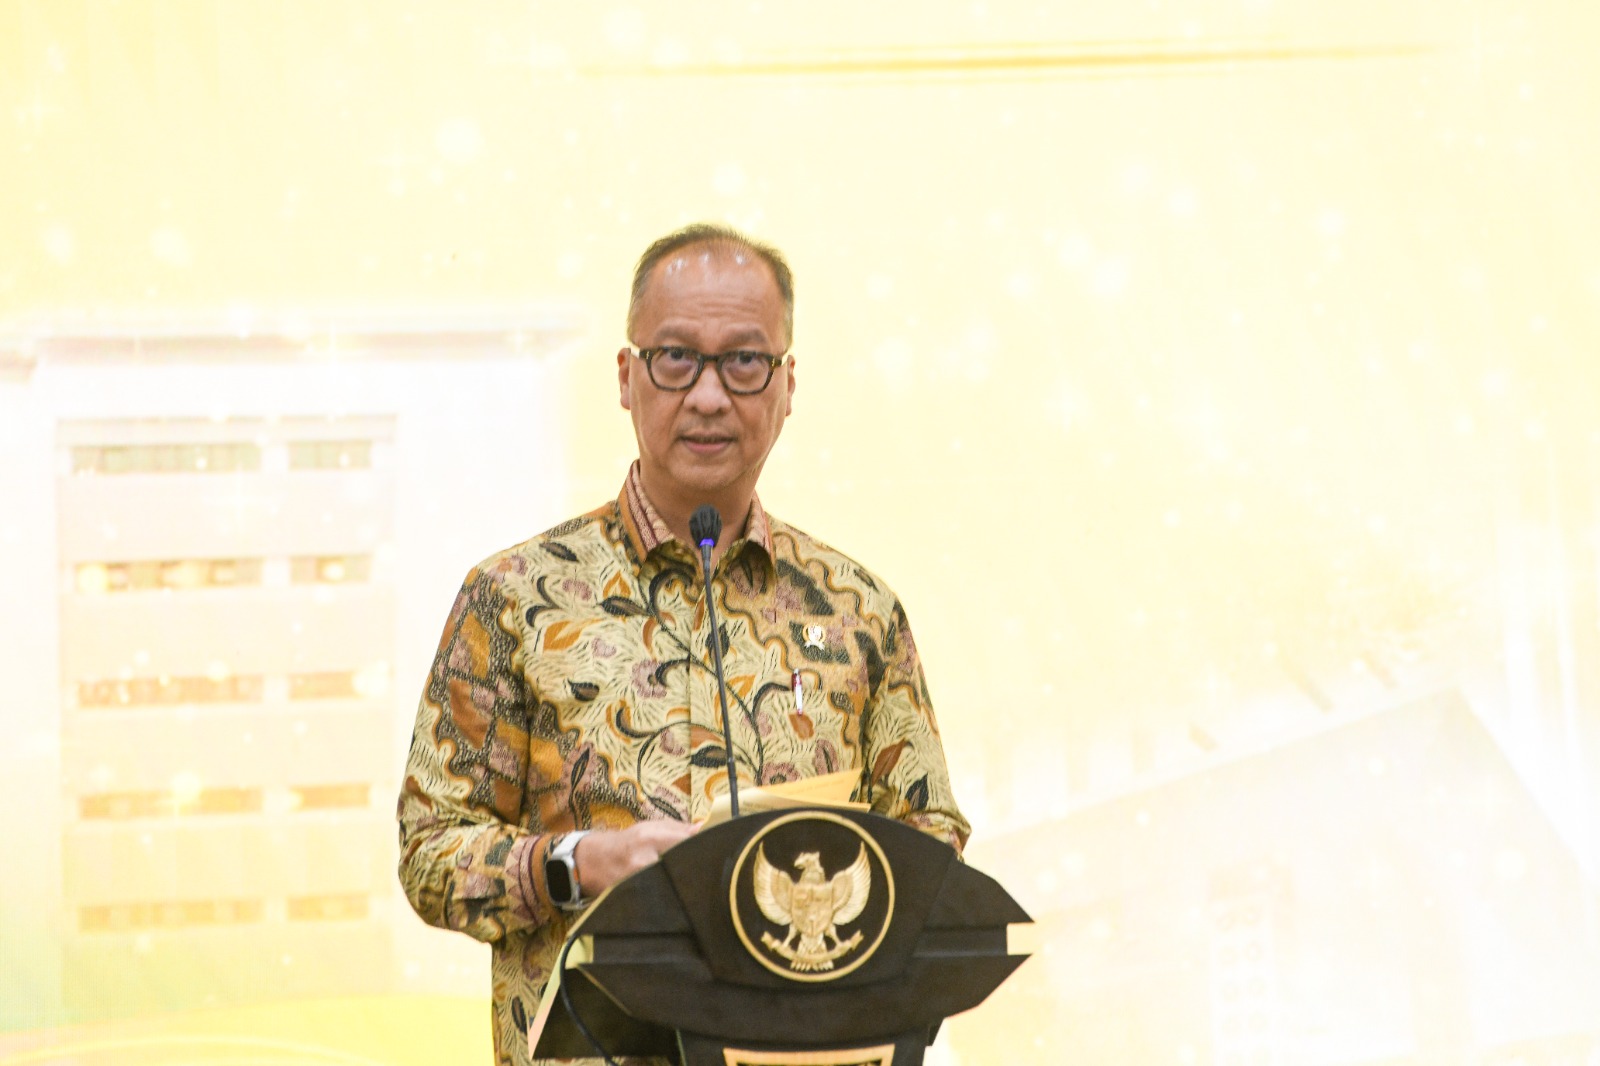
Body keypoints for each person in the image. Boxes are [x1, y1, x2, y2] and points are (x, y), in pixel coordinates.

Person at [397, 223, 969, 1066]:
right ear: (626, 378)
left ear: (787, 386)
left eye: (744, 362)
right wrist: (583, 863)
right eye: (675, 358)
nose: (708, 396)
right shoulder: (514, 598)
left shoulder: (858, 608)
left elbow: (931, 833)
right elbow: (430, 853)